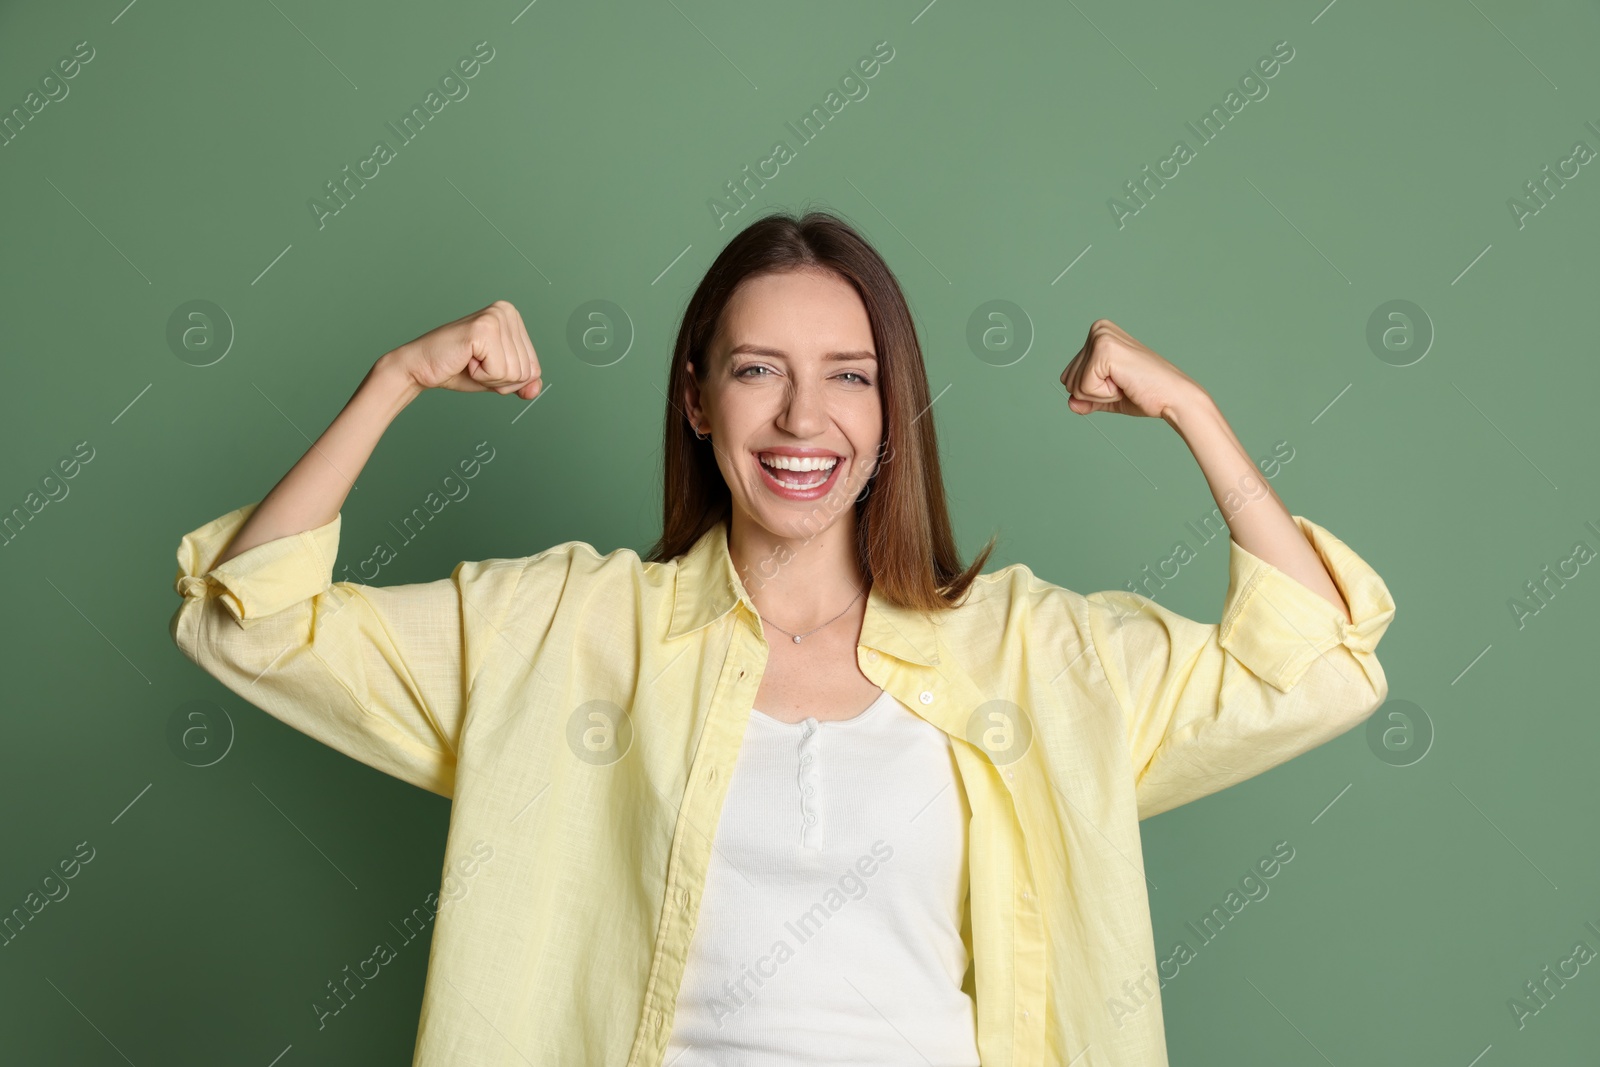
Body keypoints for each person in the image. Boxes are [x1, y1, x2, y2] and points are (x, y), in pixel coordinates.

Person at [169, 209, 1396, 1066]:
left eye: (849, 376)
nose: (804, 415)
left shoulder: (1029, 651)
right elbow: (250, 620)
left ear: (891, 409)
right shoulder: (567, 632)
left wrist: (1194, 412)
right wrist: (395, 378)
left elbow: (1318, 665)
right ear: (697, 399)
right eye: (758, 370)